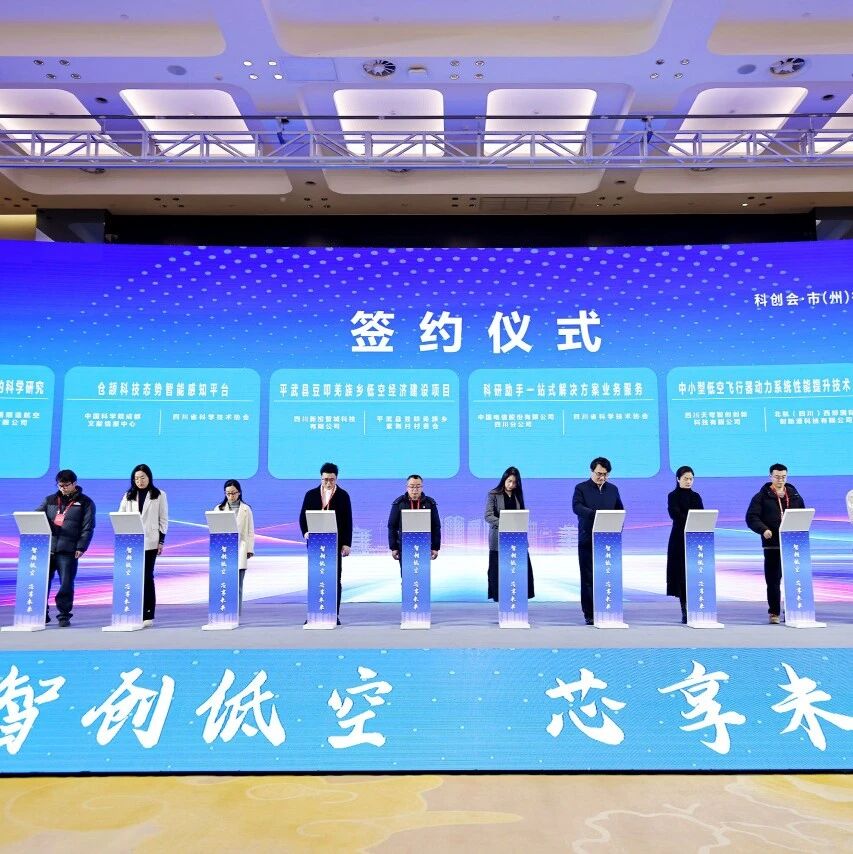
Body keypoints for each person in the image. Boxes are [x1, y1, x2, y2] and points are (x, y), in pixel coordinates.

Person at [746, 463, 805, 624]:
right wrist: (763, 529)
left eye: (783, 477)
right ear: (770, 476)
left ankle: (793, 610)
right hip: (772, 544)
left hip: (793, 544)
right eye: (777, 477)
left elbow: (803, 514)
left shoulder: (795, 495)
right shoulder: (761, 497)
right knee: (773, 580)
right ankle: (774, 612)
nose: (780, 480)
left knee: (794, 578)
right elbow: (751, 517)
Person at [37, 469, 96, 627]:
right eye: (60, 485)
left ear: (74, 483)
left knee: (66, 584)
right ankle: (41, 613)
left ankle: (64, 615)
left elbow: (88, 527)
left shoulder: (86, 502)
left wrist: (81, 546)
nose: (63, 488)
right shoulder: (50, 500)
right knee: (42, 582)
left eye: (66, 485)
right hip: (47, 549)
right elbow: (36, 517)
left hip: (69, 550)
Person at [572, 456, 624, 625]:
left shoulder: (613, 489)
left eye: (605, 474)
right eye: (599, 474)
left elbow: (619, 510)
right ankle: (589, 613)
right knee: (588, 577)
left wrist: (618, 527)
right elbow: (576, 507)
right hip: (587, 538)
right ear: (592, 471)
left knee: (607, 575)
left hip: (609, 540)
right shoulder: (581, 488)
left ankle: (608, 609)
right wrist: (595, 515)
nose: (602, 477)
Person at [298, 462, 353, 623]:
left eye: (331, 479)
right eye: (325, 479)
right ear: (321, 478)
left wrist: (346, 543)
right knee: (316, 577)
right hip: (315, 543)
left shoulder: (343, 495)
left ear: (336, 478)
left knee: (334, 578)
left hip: (335, 544)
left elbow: (348, 521)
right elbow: (302, 516)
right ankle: (314, 613)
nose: (328, 483)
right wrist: (306, 532)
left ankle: (333, 614)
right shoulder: (311, 494)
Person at [118, 463, 168, 626]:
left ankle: (148, 614)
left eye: (142, 478)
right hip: (131, 542)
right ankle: (133, 610)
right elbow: (120, 516)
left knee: (147, 576)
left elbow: (163, 519)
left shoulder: (159, 495)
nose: (139, 481)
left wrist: (161, 541)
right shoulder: (128, 495)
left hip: (151, 541)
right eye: (136, 478)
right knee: (133, 577)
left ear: (149, 478)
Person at [484, 466, 535, 603]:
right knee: (499, 571)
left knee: (520, 570)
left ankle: (518, 599)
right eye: (509, 481)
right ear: (504, 480)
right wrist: (505, 523)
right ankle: (502, 599)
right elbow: (488, 516)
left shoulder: (518, 495)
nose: (511, 485)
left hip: (517, 538)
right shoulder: (493, 494)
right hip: (499, 538)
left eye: (515, 482)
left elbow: (521, 516)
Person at [666, 466, 704, 624]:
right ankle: (685, 610)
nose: (688, 481)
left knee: (695, 572)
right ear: (678, 479)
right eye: (685, 478)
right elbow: (675, 514)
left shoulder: (696, 496)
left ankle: (698, 607)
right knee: (681, 574)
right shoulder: (672, 496)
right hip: (679, 539)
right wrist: (691, 520)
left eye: (691, 479)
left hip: (695, 539)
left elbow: (702, 515)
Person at [211, 479, 255, 614]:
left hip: (240, 548)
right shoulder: (218, 509)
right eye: (228, 493)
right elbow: (214, 530)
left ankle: (236, 613)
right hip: (223, 549)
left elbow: (250, 531)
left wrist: (249, 550)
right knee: (224, 582)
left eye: (233, 493)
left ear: (239, 492)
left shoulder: (246, 509)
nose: (231, 496)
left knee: (238, 584)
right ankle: (223, 611)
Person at [387, 474, 441, 563]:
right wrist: (394, 547)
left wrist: (435, 547)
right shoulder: (399, 503)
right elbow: (392, 526)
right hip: (404, 547)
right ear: (407, 487)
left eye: (418, 486)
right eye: (412, 486)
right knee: (406, 571)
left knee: (422, 571)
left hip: (424, 546)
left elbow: (436, 526)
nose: (415, 490)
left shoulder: (430, 503)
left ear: (422, 487)